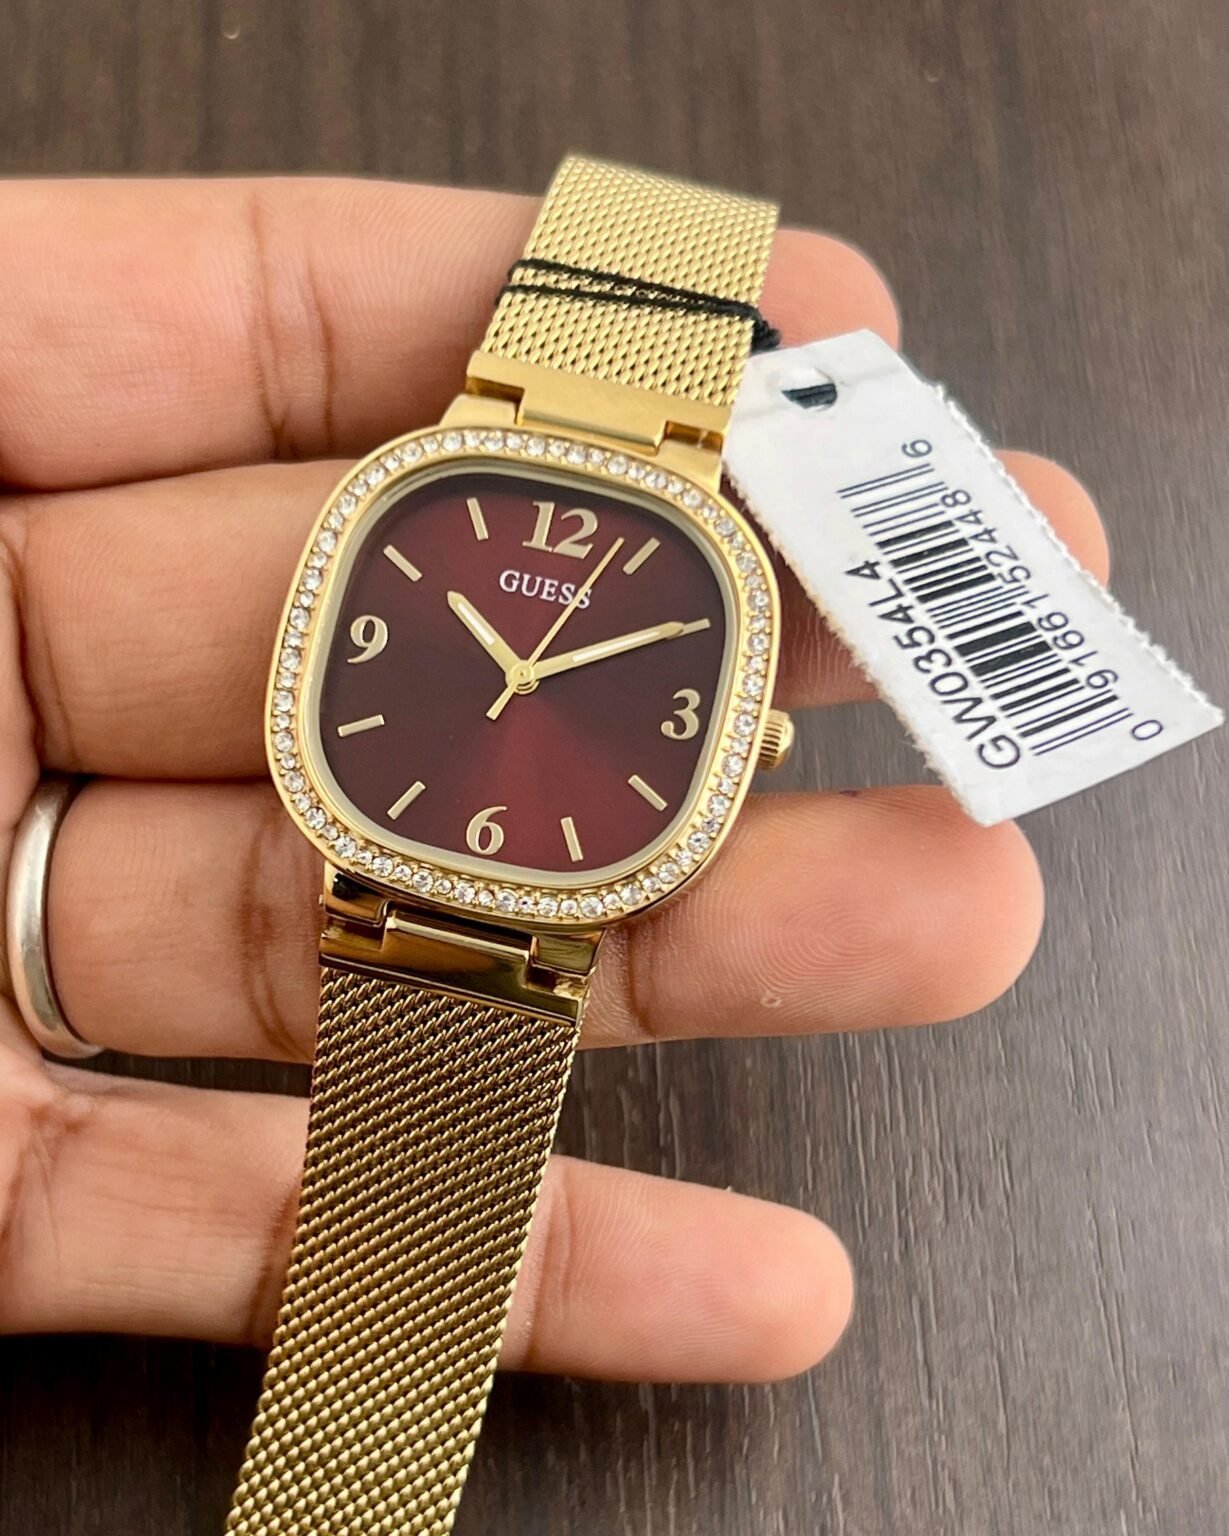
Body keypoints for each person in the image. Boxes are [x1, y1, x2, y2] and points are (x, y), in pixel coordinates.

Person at [0, 175, 1107, 1384]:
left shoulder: (677, 595)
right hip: (376, 856)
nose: (521, 677)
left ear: (740, 737)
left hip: (503, 900)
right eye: (508, 658)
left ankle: (366, 1402)